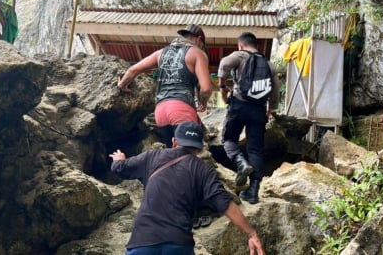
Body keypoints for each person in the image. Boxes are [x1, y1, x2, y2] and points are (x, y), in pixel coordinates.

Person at [109, 121, 265, 255]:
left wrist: (118, 159)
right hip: (179, 244)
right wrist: (251, 233)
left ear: (174, 141)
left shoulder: (152, 156)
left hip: (143, 241)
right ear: (199, 149)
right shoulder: (204, 170)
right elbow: (224, 203)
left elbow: (119, 168)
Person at [118, 24, 212, 147]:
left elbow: (132, 71)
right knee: (186, 158)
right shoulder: (197, 53)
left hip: (161, 111)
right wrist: (203, 103)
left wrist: (122, 85)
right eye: (202, 46)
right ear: (199, 39)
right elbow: (205, 89)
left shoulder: (161, 53)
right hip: (181, 110)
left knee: (171, 156)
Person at [217, 32, 280, 204]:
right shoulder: (268, 64)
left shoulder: (240, 55)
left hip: (239, 105)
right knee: (255, 149)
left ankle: (241, 164)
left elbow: (224, 63)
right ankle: (253, 192)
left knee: (229, 139)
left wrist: (223, 87)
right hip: (259, 110)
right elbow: (275, 90)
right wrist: (270, 110)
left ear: (241, 45)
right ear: (257, 45)